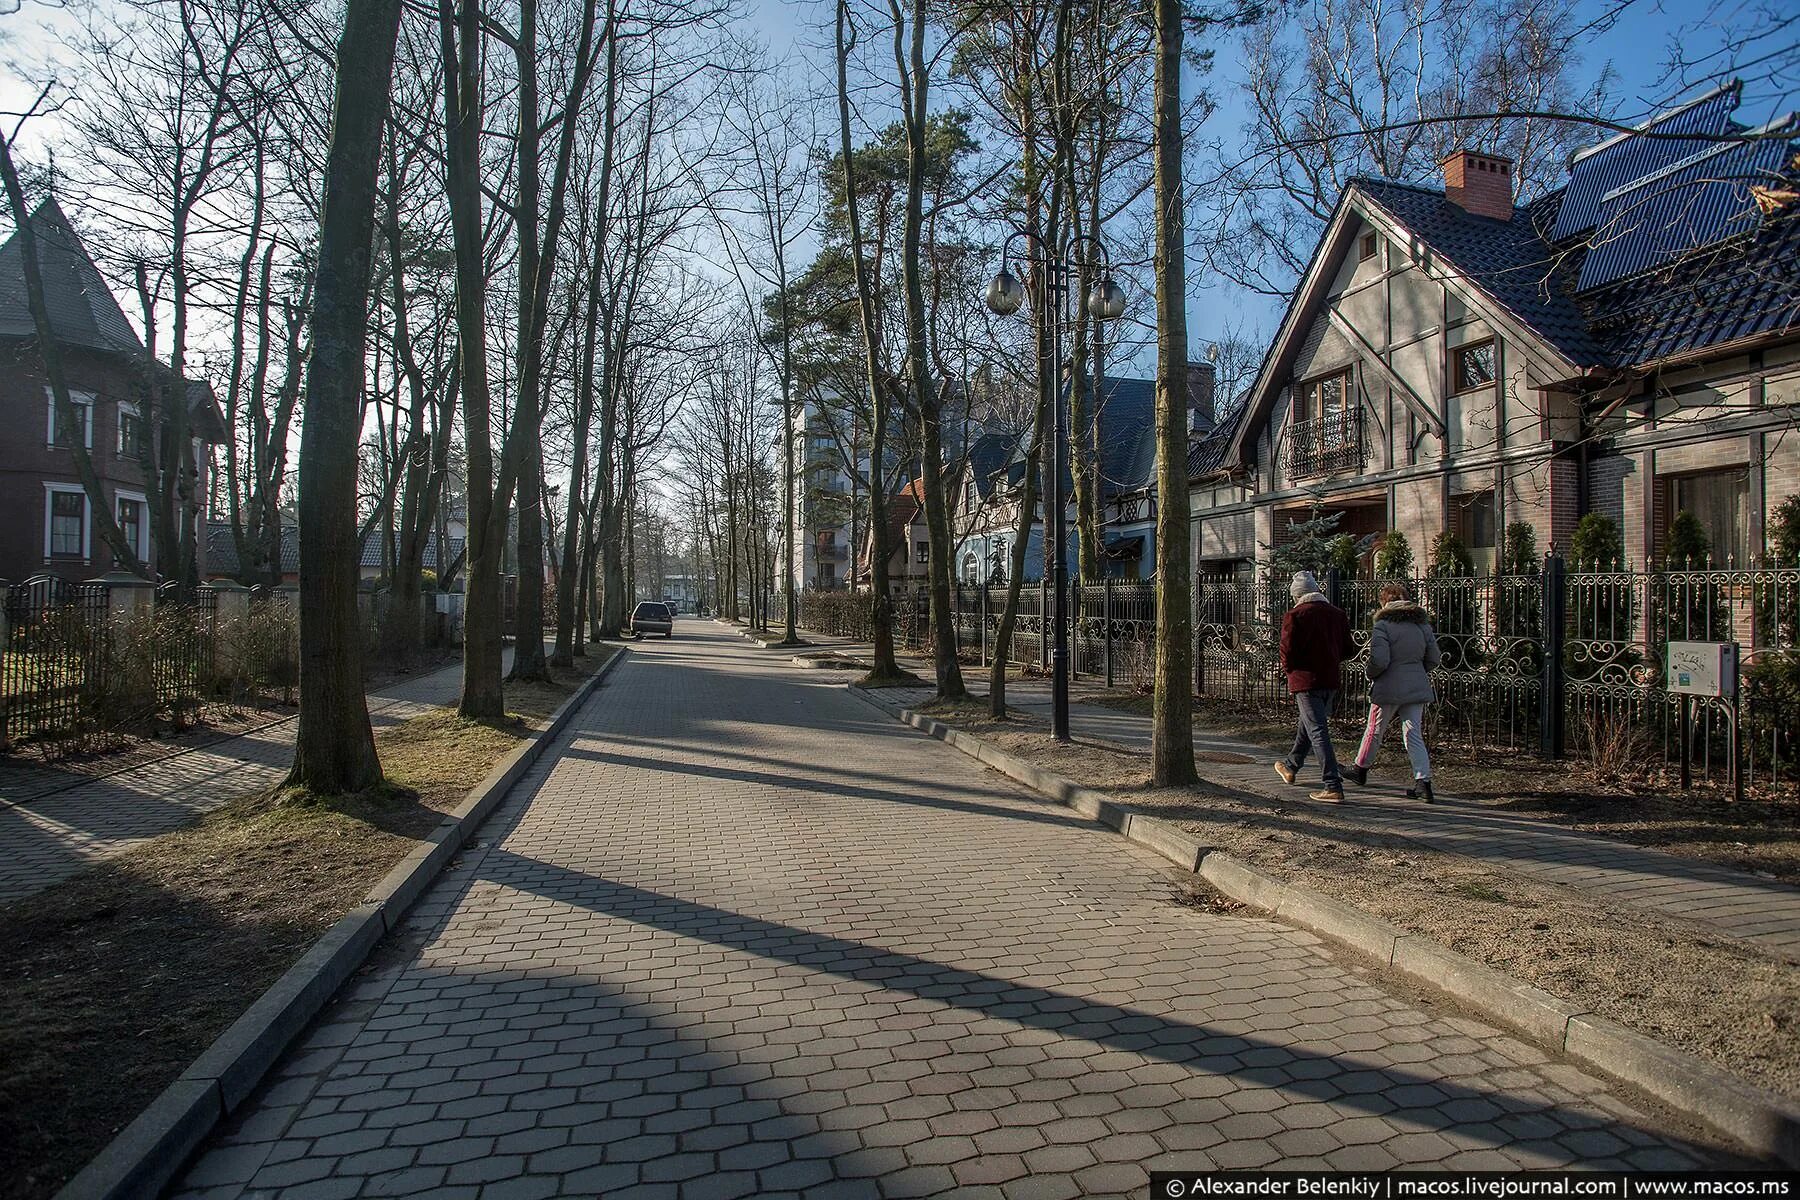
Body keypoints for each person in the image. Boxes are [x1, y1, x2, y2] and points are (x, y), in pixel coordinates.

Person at [1346, 582, 1441, 803]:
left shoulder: (1383, 625)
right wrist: (1416, 671)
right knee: (1413, 734)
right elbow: (1434, 658)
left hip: (1388, 686)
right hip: (1416, 686)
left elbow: (1380, 660)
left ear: (1385, 602)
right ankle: (1423, 782)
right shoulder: (1422, 625)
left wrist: (1371, 674)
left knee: (1375, 729)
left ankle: (1360, 768)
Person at [1274, 570, 1355, 802]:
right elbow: (1348, 649)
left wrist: (1289, 669)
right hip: (1329, 679)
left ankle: (1332, 784)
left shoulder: (1296, 615)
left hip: (1304, 680)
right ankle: (1290, 766)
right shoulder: (1337, 614)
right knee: (1308, 725)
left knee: (1317, 730)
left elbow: (1286, 650)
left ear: (1297, 595)